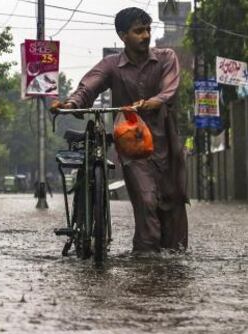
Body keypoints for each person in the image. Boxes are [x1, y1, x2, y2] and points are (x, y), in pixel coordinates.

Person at [51, 7, 188, 252]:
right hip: (133, 148)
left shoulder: (166, 57)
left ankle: (174, 259)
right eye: (138, 31)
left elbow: (170, 89)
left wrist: (154, 101)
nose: (145, 36)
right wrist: (71, 103)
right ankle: (146, 258)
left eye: (147, 30)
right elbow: (88, 87)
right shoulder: (111, 65)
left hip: (167, 145)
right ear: (123, 35)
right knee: (146, 201)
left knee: (173, 202)